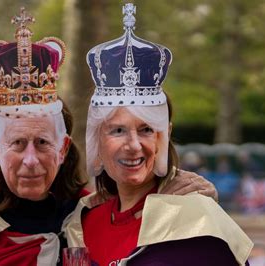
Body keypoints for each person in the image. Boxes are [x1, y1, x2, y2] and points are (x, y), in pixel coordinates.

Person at [0, 7, 218, 266]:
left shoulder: (82, 214)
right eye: (18, 144)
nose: (31, 161)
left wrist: (191, 199)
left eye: (43, 143)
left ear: (63, 150)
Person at [64, 4, 253, 265]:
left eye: (146, 130)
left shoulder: (199, 220)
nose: (133, 145)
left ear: (165, 136)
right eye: (118, 130)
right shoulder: (81, 224)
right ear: (97, 138)